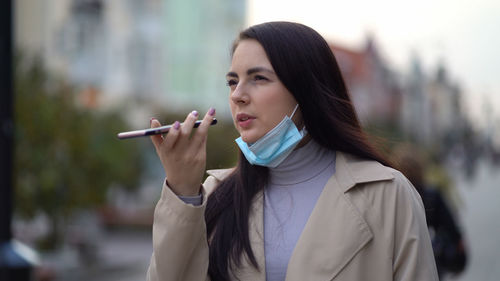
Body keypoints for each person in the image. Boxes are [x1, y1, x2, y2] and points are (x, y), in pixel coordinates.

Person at [146, 21, 438, 281]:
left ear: (306, 91)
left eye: (258, 78)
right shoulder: (215, 195)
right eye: (232, 82)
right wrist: (183, 190)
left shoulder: (388, 194)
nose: (237, 95)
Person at [393, 144, 468, 279]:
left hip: (402, 262)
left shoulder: (393, 199)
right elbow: (450, 225)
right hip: (432, 256)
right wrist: (459, 243)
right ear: (420, 168)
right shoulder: (431, 194)